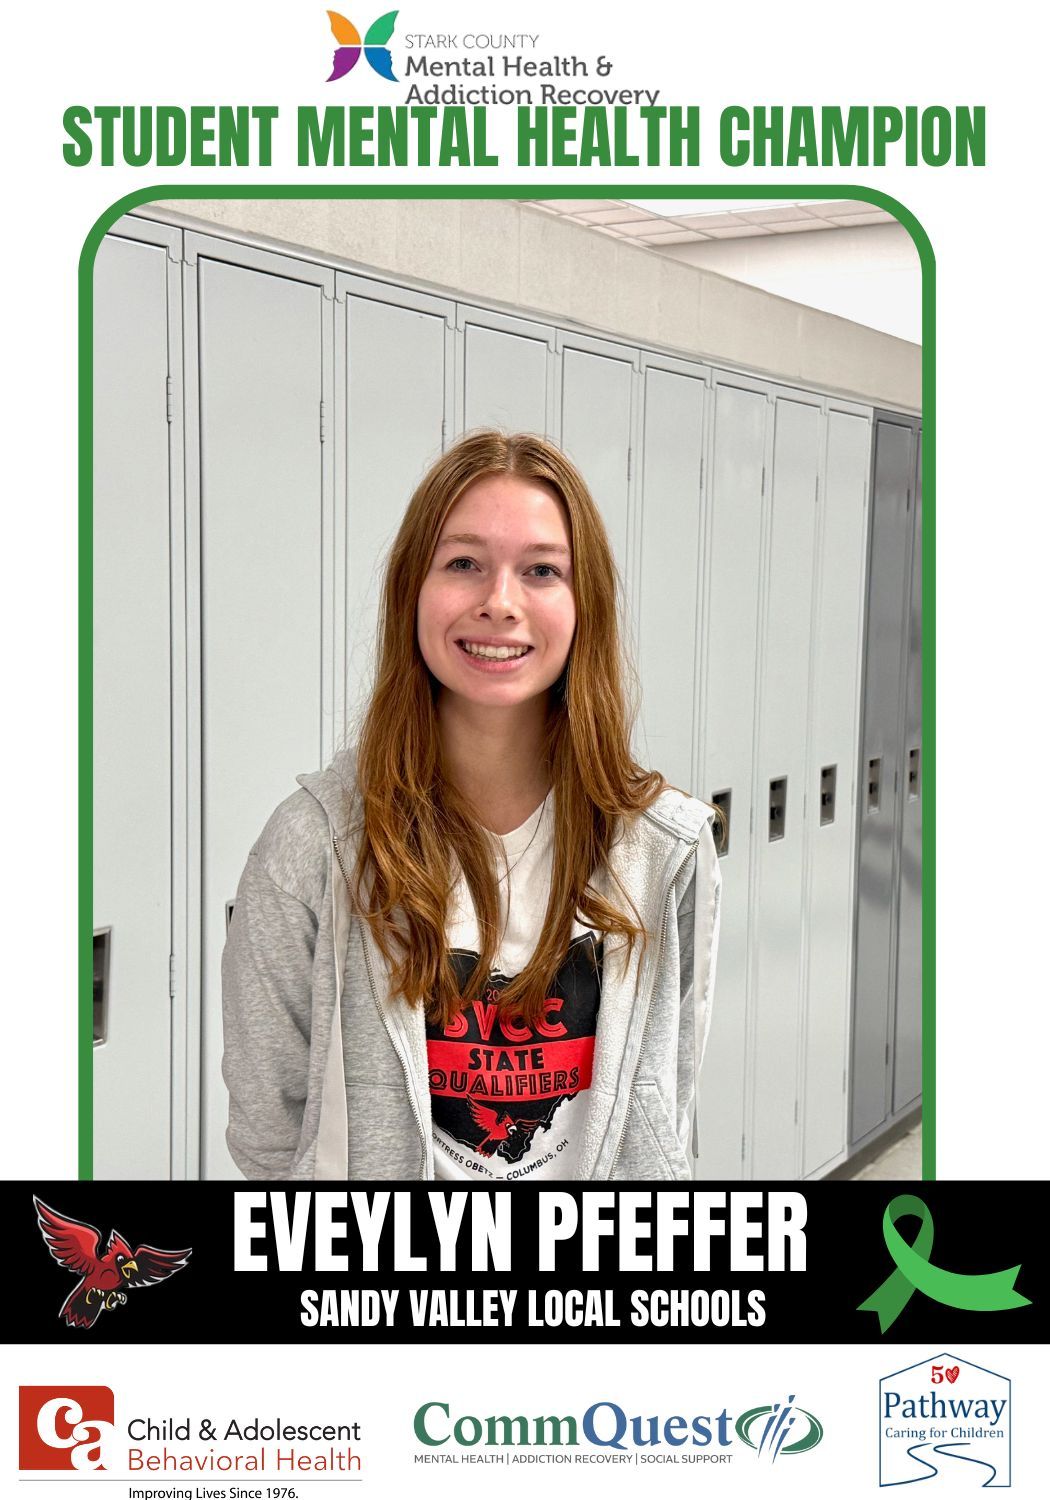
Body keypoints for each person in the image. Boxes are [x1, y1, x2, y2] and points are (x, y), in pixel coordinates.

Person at [222, 430, 721, 1181]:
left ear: (585, 605)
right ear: (411, 592)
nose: (499, 603)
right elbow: (268, 1135)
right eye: (464, 563)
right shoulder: (314, 847)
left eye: (542, 570)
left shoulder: (664, 849)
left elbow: (663, 1110)